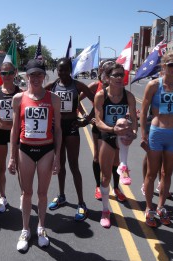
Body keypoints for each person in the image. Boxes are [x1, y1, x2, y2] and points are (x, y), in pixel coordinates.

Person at [8, 59, 61, 252]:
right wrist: (12, 156)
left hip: (46, 149)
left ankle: (41, 228)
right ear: (26, 76)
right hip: (25, 149)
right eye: (32, 74)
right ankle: (25, 229)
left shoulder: (54, 98)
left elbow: (58, 130)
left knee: (42, 193)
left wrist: (57, 156)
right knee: (27, 193)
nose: (36, 78)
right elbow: (14, 129)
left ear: (44, 76)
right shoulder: (18, 98)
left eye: (40, 74)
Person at [46, 57, 94, 221]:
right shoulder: (52, 86)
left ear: (70, 70)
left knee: (74, 166)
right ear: (57, 70)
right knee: (59, 164)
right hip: (57, 129)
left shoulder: (77, 86)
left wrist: (86, 120)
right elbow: (33, 95)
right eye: (60, 70)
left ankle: (81, 203)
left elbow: (98, 101)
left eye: (66, 69)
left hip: (72, 128)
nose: (63, 73)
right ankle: (61, 196)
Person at [140, 50, 173, 227]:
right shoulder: (153, 85)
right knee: (151, 173)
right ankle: (149, 208)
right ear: (163, 66)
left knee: (167, 173)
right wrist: (143, 134)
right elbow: (143, 111)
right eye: (171, 64)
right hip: (156, 132)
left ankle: (161, 207)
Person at [94, 63, 137, 228]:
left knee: (124, 122)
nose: (120, 78)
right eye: (116, 75)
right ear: (108, 78)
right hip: (108, 134)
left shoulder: (129, 96)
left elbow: (134, 121)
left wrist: (133, 133)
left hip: (123, 136)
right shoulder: (101, 95)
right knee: (105, 177)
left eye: (122, 74)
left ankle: (124, 165)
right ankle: (106, 210)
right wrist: (114, 129)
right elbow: (98, 122)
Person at [80, 60, 127, 202]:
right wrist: (87, 117)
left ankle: (116, 188)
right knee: (96, 158)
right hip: (99, 129)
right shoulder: (96, 86)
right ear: (104, 74)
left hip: (116, 130)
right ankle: (98, 186)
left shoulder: (120, 89)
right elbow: (75, 99)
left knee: (116, 161)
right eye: (106, 71)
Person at [0, 62, 22, 213]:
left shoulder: (20, 92)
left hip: (16, 133)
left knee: (21, 167)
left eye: (9, 73)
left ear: (15, 73)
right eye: (3, 73)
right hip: (0, 132)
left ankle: (23, 195)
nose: (6, 76)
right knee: (0, 167)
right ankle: (2, 196)